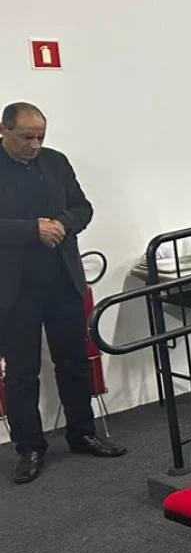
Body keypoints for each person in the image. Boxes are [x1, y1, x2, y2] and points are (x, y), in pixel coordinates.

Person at [0, 102, 126, 485]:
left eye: (40, 136)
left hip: (62, 281)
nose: (34, 144)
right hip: (15, 289)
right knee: (22, 372)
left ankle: (82, 432)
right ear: (4, 131)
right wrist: (31, 230)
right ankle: (29, 447)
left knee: (73, 362)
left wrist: (61, 224)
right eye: (26, 137)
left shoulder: (56, 162)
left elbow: (83, 208)